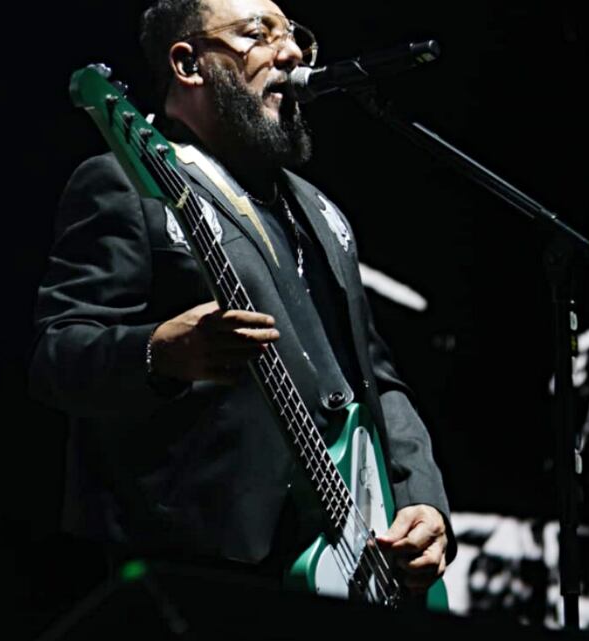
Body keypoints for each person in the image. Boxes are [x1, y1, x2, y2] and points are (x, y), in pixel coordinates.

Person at [30, 0, 455, 597]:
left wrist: (421, 500)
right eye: (260, 34)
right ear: (189, 63)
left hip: (343, 561)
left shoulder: (320, 212)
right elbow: (57, 355)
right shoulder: (123, 184)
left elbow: (377, 381)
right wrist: (158, 353)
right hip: (199, 570)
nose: (291, 53)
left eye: (295, 36)